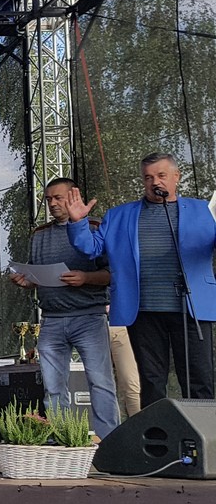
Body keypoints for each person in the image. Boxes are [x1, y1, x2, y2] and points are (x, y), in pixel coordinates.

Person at [65, 152, 216, 405]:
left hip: (192, 307)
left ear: (176, 177)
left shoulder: (203, 211)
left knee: (198, 381)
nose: (155, 182)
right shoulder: (119, 216)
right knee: (151, 381)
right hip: (143, 310)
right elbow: (91, 248)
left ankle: (201, 432)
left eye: (161, 175)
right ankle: (157, 431)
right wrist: (78, 221)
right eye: (148, 177)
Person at [10, 178, 118, 439]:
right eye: (48, 199)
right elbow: (37, 275)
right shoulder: (39, 234)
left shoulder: (95, 227)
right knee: (53, 386)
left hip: (89, 317)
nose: (52, 203)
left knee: (100, 382)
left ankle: (110, 440)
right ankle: (62, 438)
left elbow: (113, 274)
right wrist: (26, 281)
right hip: (51, 319)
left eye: (58, 197)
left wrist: (86, 278)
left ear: (74, 196)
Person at [109, 324, 142, 417]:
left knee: (130, 383)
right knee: (102, 385)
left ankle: (138, 423)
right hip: (91, 328)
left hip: (118, 327)